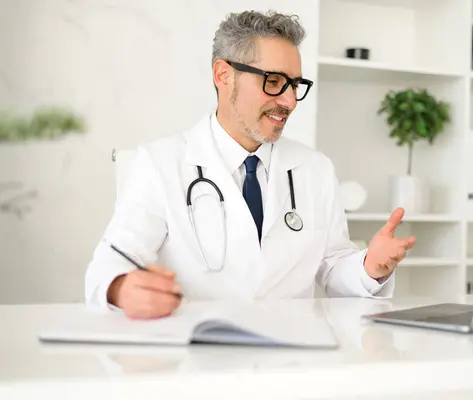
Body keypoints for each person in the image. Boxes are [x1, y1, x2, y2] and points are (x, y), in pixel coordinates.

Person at [85, 10, 416, 319]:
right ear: (223, 75)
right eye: (273, 82)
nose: (288, 101)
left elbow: (332, 266)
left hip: (293, 358)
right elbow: (108, 267)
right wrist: (122, 288)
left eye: (295, 85)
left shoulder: (315, 169)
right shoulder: (160, 163)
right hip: (197, 360)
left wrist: (370, 266)